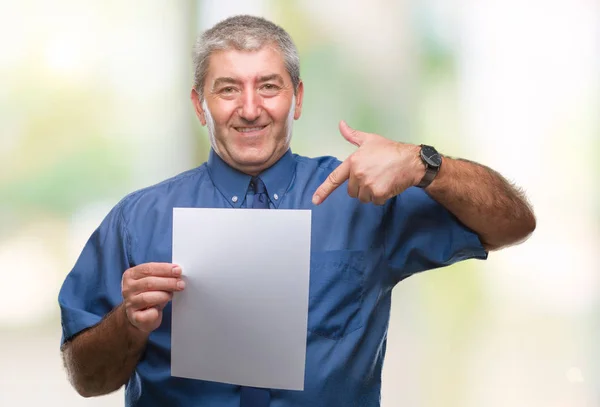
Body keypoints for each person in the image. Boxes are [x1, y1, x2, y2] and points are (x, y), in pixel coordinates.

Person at [58, 14, 536, 407]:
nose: (250, 108)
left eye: (269, 86)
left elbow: (515, 224)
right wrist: (128, 322)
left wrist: (426, 163)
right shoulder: (136, 220)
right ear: (200, 105)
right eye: (227, 89)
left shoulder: (363, 197)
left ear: (298, 98)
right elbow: (87, 380)